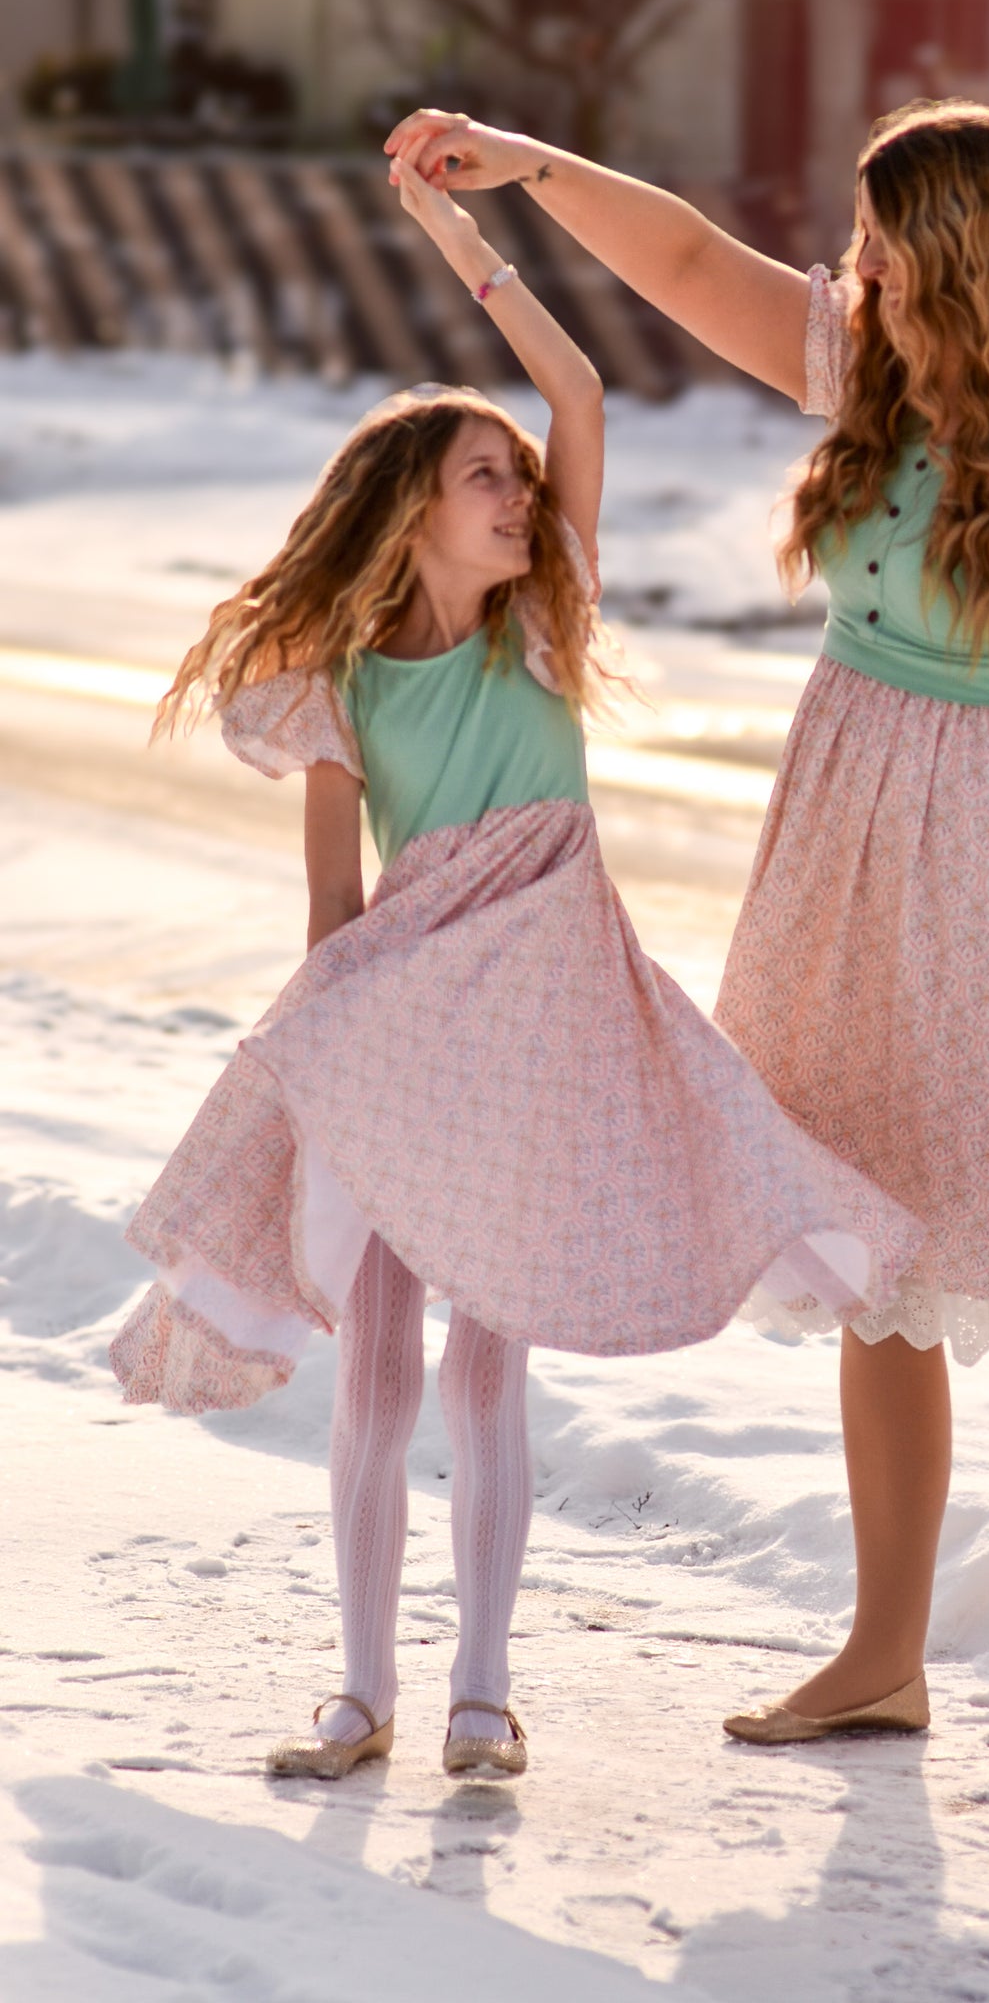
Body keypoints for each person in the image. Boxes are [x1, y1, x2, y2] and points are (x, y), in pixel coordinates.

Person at [382, 98, 989, 1762]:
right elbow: (684, 257)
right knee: (875, 1255)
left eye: (890, 246)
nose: (860, 269)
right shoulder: (866, 365)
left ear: (968, 258)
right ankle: (882, 1654)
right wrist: (523, 164)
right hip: (856, 848)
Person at [109, 151, 922, 1784]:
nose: (514, 493)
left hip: (544, 1029)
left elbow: (578, 382)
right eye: (483, 476)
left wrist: (455, 234)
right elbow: (337, 921)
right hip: (411, 1027)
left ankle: (480, 1694)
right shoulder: (336, 681)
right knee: (381, 1372)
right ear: (411, 510)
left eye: (513, 475)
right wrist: (326, 1082)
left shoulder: (541, 624)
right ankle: (360, 1696)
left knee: (491, 1364)